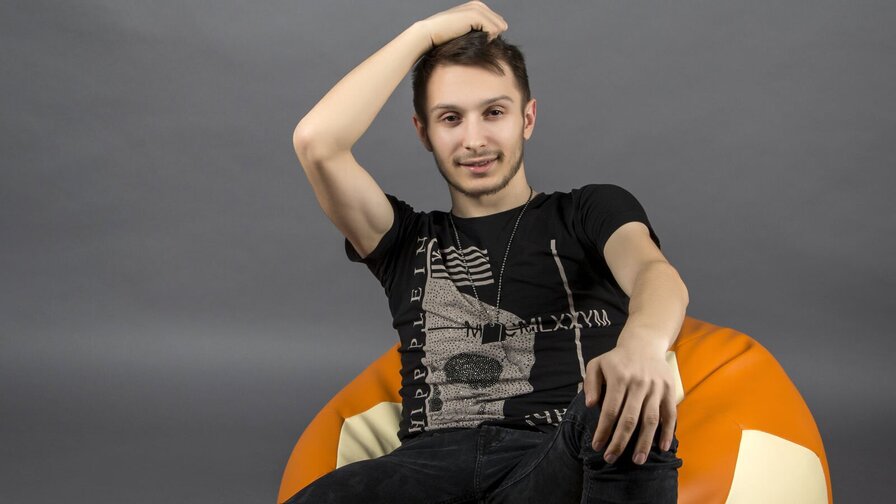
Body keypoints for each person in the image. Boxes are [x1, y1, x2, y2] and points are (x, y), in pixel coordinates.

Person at [290, 2, 687, 502]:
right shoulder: (404, 239)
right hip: (426, 470)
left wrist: (642, 346)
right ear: (424, 133)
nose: (474, 139)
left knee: (624, 404)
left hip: (554, 458)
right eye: (450, 118)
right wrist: (422, 33)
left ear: (527, 118)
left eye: (494, 112)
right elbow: (317, 141)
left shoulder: (586, 210)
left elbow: (654, 273)